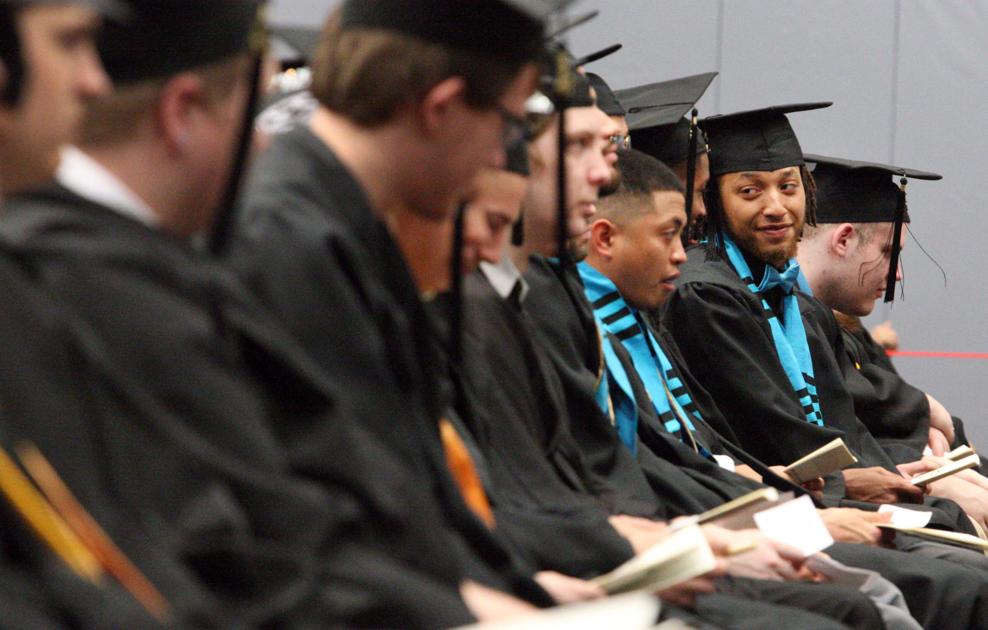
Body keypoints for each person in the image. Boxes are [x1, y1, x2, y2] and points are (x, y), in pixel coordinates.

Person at [3, 0, 544, 625]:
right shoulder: (90, 277)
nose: (92, 81)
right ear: (180, 112)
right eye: (69, 43)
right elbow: (232, 549)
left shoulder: (126, 266)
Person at [578, 147, 988, 629]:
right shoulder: (696, 295)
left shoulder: (778, 298)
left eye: (789, 187)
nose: (680, 253)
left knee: (950, 548)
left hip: (733, 507)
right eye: (750, 190)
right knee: (939, 583)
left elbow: (710, 450)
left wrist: (796, 486)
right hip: (680, 533)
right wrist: (806, 506)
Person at [661, 103, 988, 569]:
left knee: (953, 529)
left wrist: (900, 475)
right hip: (780, 507)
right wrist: (891, 486)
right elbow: (772, 429)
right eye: (750, 190)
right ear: (713, 201)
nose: (775, 206)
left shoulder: (796, 302)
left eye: (788, 187)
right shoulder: (706, 295)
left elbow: (844, 426)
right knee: (959, 566)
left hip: (818, 493)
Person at [796, 155, 988, 500]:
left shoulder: (834, 321)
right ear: (843, 240)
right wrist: (924, 425)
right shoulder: (776, 316)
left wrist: (933, 433)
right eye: (889, 252)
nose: (898, 274)